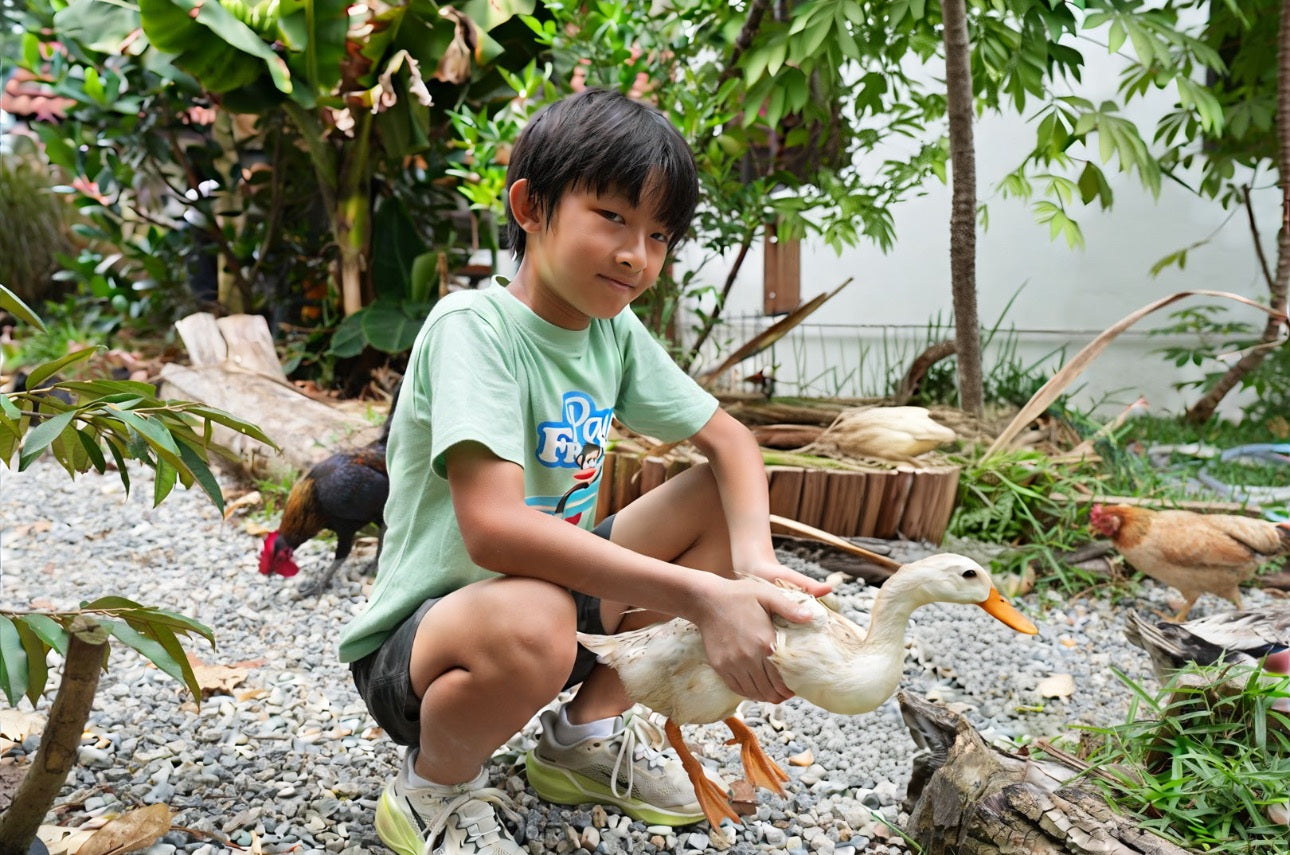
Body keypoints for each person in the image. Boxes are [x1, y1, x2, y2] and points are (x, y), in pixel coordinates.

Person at [337, 87, 833, 855]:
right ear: (530, 207)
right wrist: (706, 597)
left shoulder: (613, 331)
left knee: (712, 501)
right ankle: (432, 785)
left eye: (659, 234)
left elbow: (731, 443)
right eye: (613, 217)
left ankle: (583, 737)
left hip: (551, 616)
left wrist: (755, 567)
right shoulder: (475, 328)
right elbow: (494, 531)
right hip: (426, 646)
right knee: (537, 611)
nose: (638, 254)